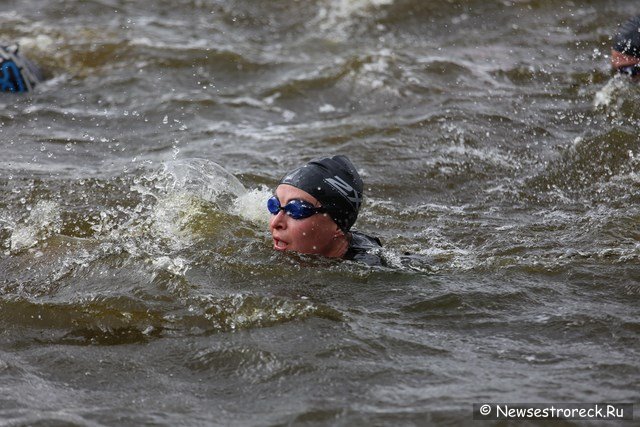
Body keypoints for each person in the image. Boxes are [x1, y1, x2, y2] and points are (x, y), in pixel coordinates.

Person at [268, 155, 383, 265]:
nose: (275, 223)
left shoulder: (368, 271)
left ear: (337, 226)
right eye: (274, 205)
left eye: (296, 209)